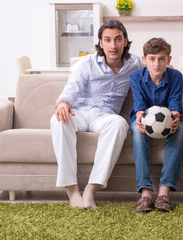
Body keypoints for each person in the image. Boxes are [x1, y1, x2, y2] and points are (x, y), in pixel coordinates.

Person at [50, 20, 144, 210]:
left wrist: (169, 70)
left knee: (120, 124)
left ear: (125, 41)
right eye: (107, 40)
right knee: (58, 120)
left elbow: (154, 72)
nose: (113, 45)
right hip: (80, 112)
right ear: (101, 43)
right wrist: (62, 103)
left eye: (118, 39)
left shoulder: (135, 64)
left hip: (105, 116)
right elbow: (70, 90)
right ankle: (72, 190)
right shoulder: (86, 64)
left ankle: (91, 190)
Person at [130, 38, 183, 212]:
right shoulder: (136, 77)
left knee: (181, 129)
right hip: (143, 120)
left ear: (169, 60)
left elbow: (175, 104)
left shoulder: (176, 76)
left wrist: (175, 116)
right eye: (152, 59)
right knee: (137, 131)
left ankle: (164, 193)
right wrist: (140, 116)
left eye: (162, 59)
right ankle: (146, 193)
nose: (157, 63)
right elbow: (139, 105)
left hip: (167, 118)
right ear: (144, 59)